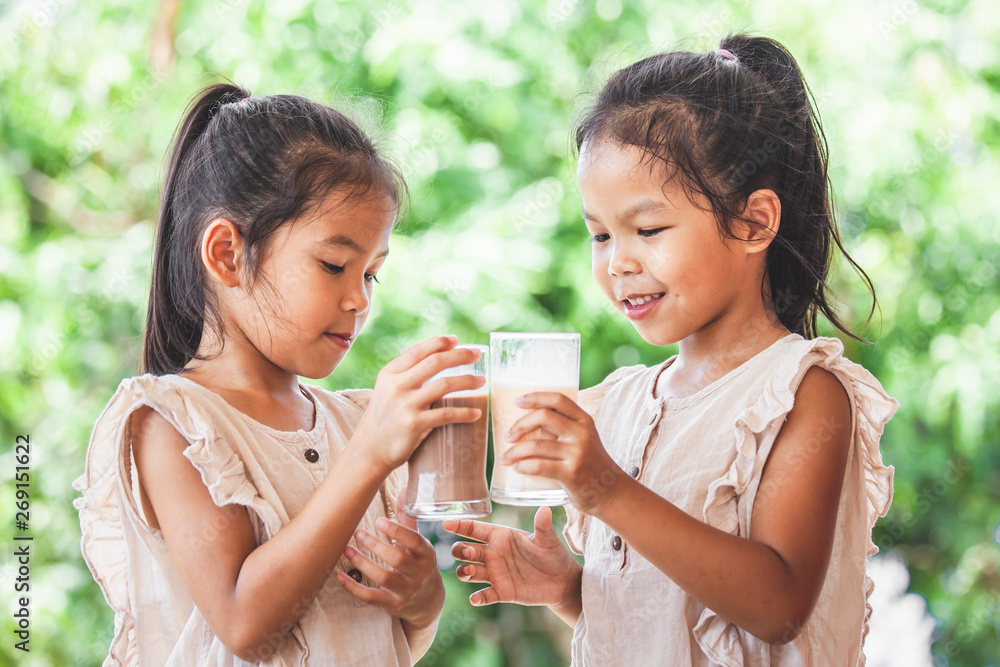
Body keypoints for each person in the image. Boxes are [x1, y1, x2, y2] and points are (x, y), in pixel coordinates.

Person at [446, 35, 897, 665]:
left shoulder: (802, 392)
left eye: (648, 229)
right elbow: (668, 619)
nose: (618, 262)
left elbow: (777, 606)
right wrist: (569, 589)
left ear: (753, 223)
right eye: (599, 234)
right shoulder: (626, 401)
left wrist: (606, 488)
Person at [73, 83, 484, 665]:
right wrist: (369, 455)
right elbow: (246, 624)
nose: (359, 300)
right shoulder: (173, 422)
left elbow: (373, 632)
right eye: (334, 265)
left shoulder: (351, 421)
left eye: (371, 274)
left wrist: (421, 599)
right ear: (226, 255)